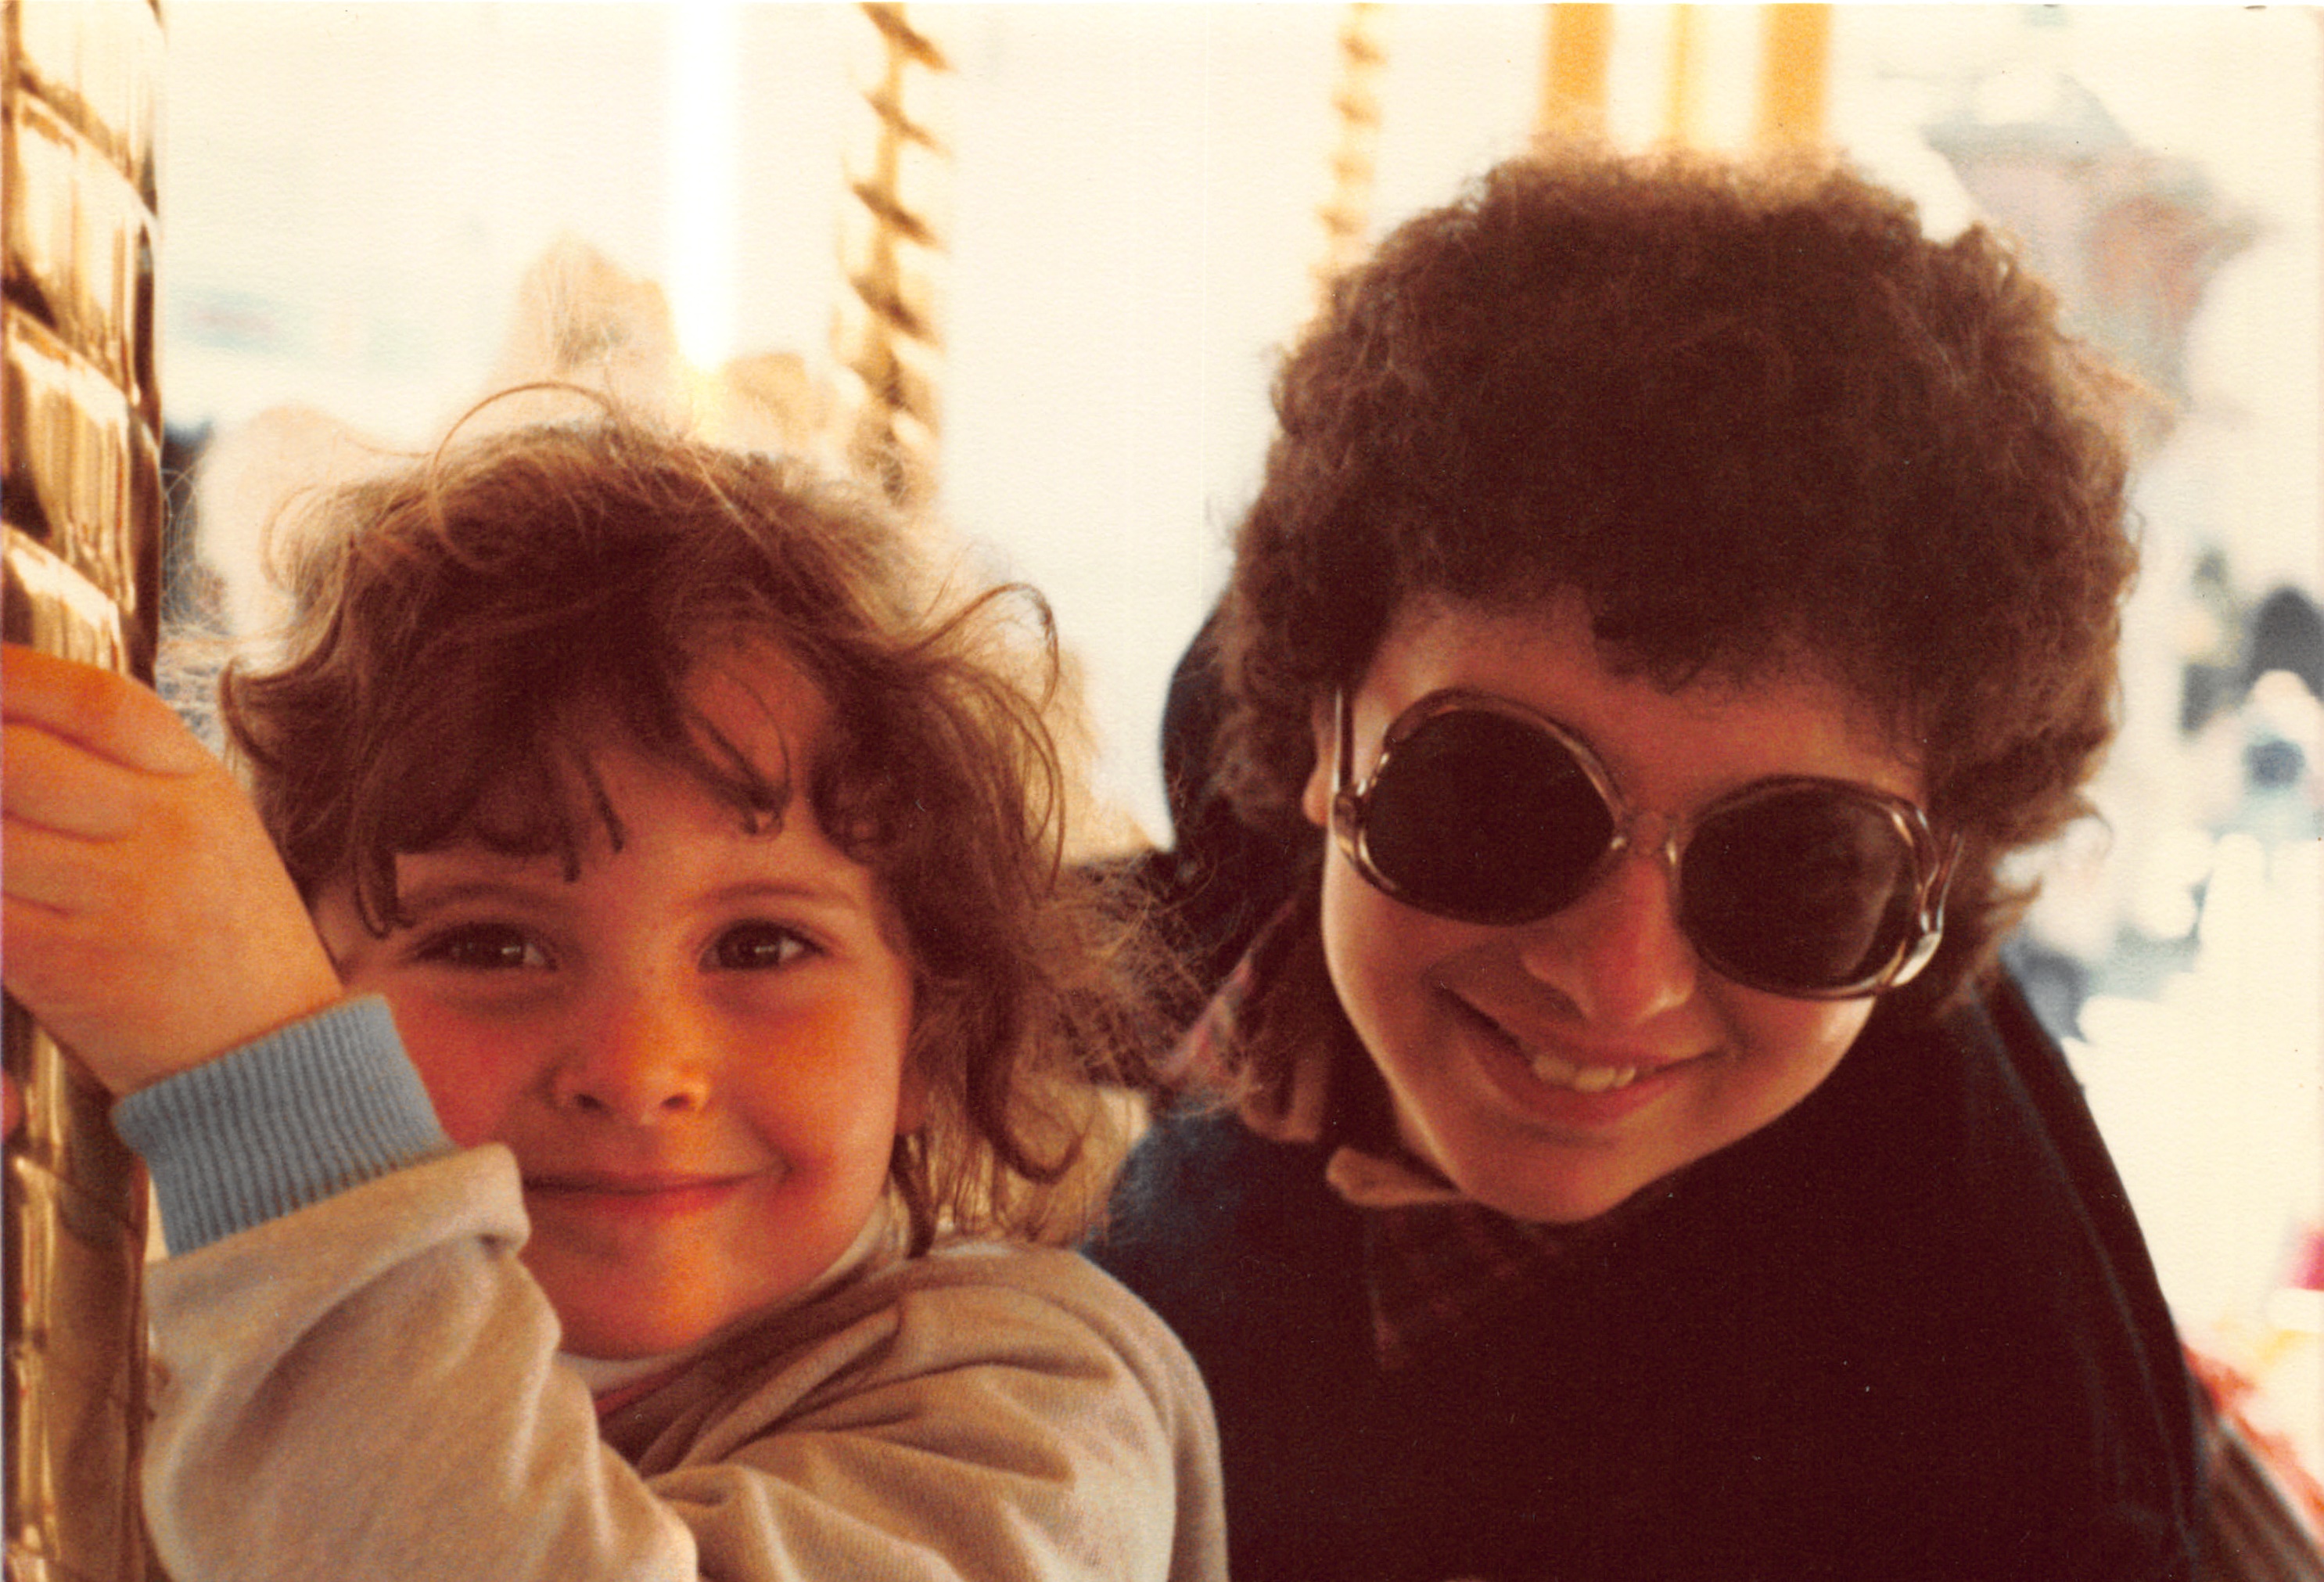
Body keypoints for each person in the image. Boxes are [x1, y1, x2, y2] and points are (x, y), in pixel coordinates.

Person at [1091, 146, 2207, 1580]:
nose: (1614, 973)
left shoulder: (1995, 1465)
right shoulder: (1212, 881)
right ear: (1323, 726)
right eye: (1497, 797)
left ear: (1928, 881)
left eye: (1793, 868)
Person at [2, 398, 1226, 1581]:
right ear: (313, 975)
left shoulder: (1036, 1417)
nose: (641, 1069)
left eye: (760, 947)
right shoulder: (188, 1370)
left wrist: (270, 1105)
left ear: (926, 1023)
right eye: (492, 947)